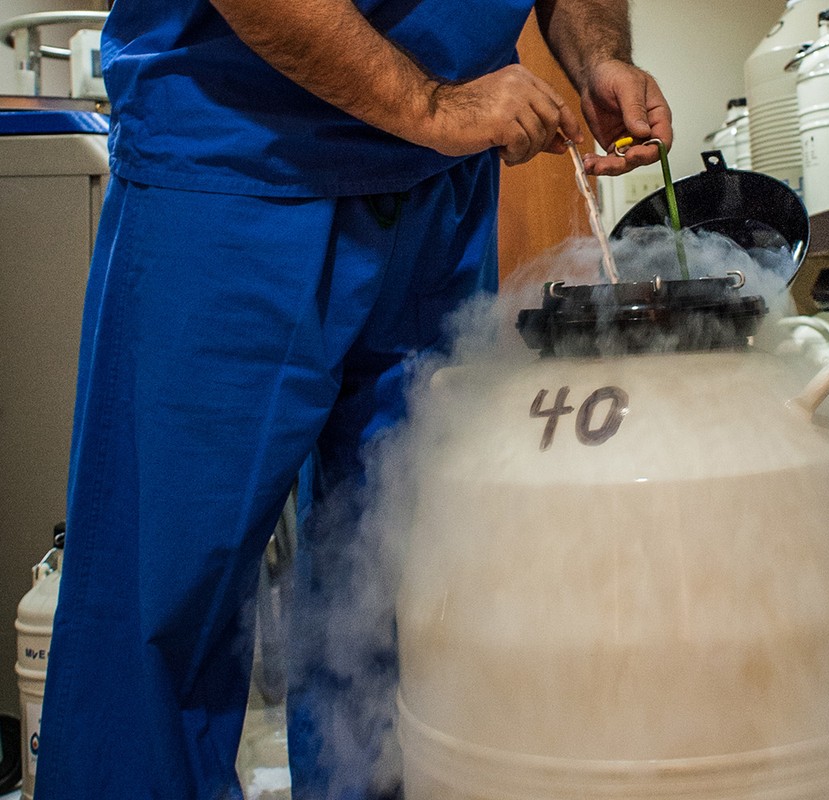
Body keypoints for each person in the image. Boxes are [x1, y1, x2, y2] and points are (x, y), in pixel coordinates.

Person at [34, 0, 672, 798]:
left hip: (438, 188)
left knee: (407, 604)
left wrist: (595, 54)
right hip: (238, 161)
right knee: (159, 624)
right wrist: (434, 107)